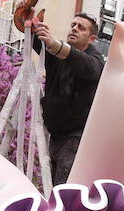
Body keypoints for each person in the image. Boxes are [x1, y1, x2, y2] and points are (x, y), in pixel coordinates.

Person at [29, 13, 105, 182]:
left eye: (81, 27)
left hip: (76, 137)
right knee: (54, 186)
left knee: (63, 189)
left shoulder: (96, 60)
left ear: (91, 39)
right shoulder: (57, 54)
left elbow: (88, 67)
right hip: (55, 134)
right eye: (73, 25)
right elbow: (34, 39)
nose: (74, 29)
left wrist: (53, 44)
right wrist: (27, 19)